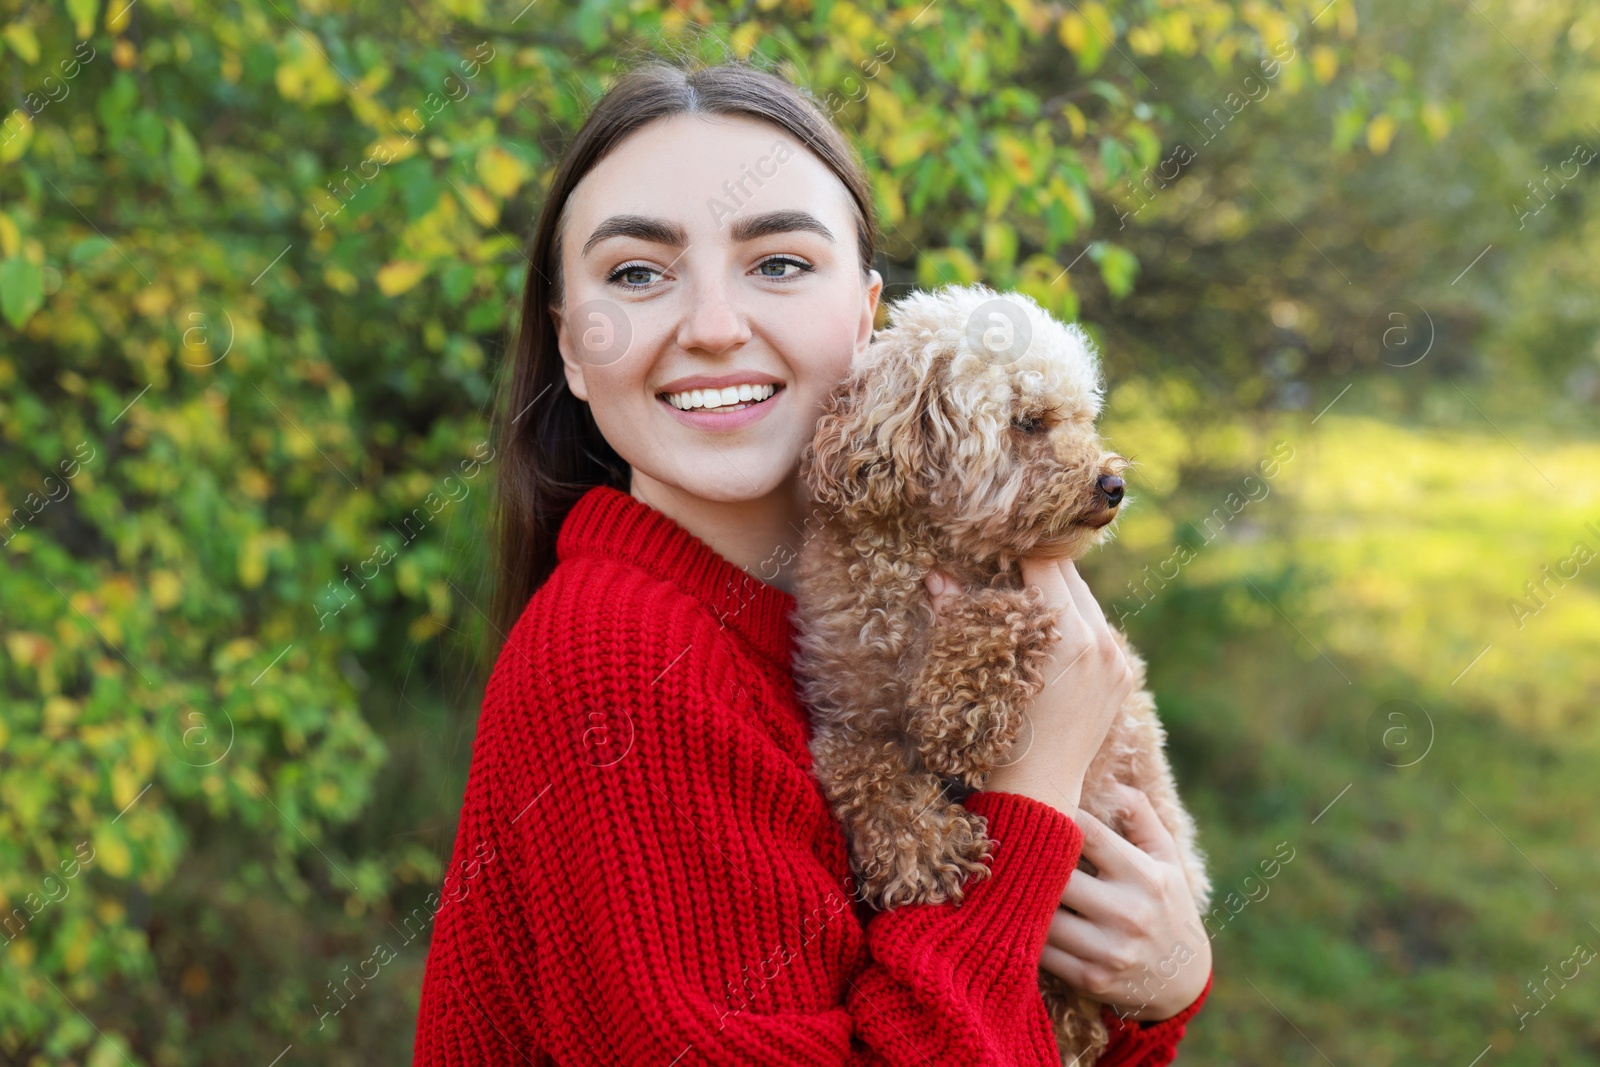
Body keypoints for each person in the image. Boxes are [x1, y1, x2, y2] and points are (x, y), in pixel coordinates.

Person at [414, 57, 1213, 1065]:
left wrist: (1157, 985)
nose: (711, 326)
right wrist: (1032, 790)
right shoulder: (618, 655)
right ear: (572, 344)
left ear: (869, 315)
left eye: (779, 262)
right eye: (636, 273)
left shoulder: (871, 629)